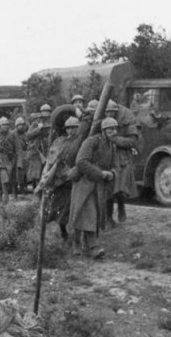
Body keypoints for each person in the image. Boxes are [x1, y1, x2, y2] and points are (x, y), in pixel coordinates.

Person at [67, 118, 118, 259]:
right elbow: (81, 161)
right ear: (103, 131)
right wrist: (100, 173)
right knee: (84, 213)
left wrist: (112, 174)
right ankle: (87, 246)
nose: (114, 132)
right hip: (84, 182)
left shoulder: (112, 146)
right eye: (110, 129)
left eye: (115, 129)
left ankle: (84, 245)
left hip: (99, 185)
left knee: (94, 215)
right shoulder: (91, 141)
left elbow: (114, 165)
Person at [40, 116, 86, 245]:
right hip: (61, 180)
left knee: (76, 207)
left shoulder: (82, 141)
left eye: (74, 128)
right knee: (60, 207)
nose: (71, 130)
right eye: (69, 128)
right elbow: (52, 158)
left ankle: (78, 238)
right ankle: (64, 232)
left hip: (76, 178)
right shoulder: (60, 141)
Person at [105, 99, 139, 227]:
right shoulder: (100, 118)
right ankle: (108, 217)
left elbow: (132, 141)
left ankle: (121, 208)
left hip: (122, 157)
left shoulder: (127, 116)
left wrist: (114, 139)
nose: (109, 115)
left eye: (112, 112)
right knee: (107, 189)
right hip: (105, 155)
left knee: (121, 188)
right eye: (107, 113)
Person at [0, 117, 23, 204]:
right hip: (0, 158)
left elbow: (18, 149)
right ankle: (5, 197)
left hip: (11, 159)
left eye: (6, 125)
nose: (5, 127)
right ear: (0, 125)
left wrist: (19, 163)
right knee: (4, 177)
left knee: (5, 179)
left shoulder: (13, 135)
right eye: (3, 125)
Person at [10, 117, 29, 196]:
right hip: (15, 156)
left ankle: (23, 189)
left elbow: (26, 144)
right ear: (16, 126)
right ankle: (15, 193)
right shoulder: (13, 134)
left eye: (22, 125)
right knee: (14, 175)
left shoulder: (24, 135)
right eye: (19, 125)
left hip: (23, 156)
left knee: (23, 174)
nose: (21, 126)